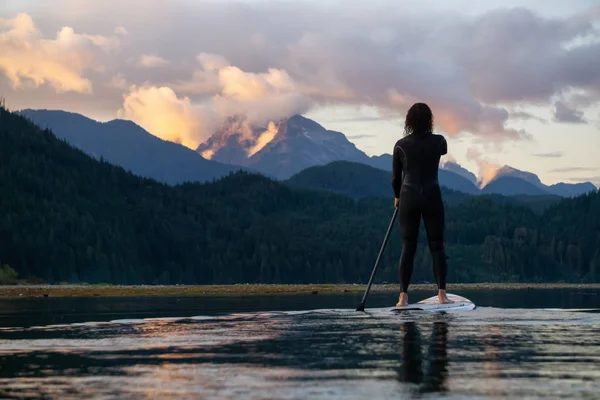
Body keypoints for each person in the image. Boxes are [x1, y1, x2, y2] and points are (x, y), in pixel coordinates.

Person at [391, 102, 453, 307]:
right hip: (431, 194)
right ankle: (442, 295)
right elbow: (442, 150)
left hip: (408, 195)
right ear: (430, 120)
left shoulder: (400, 145)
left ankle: (402, 297)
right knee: (437, 246)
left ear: (408, 121)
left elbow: (395, 179)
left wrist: (397, 197)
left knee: (408, 247)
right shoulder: (439, 141)